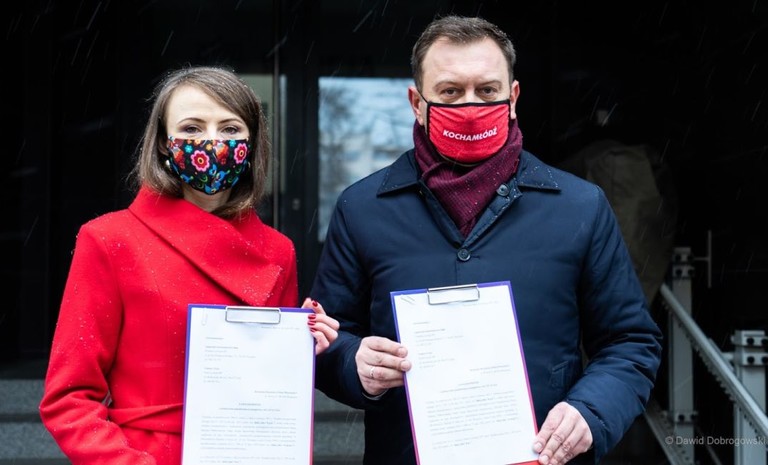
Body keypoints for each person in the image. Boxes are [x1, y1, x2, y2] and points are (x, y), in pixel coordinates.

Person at [312, 15, 663, 465]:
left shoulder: (580, 206)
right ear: (417, 102)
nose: (471, 106)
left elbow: (630, 342)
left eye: (487, 90)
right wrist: (353, 363)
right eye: (450, 92)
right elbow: (327, 339)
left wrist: (589, 412)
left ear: (512, 97)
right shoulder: (362, 208)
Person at [39, 66, 339, 465]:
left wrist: (301, 347)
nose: (212, 141)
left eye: (230, 129)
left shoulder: (277, 250)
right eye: (192, 128)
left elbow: (269, 391)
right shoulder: (109, 239)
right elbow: (69, 399)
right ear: (164, 144)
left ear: (252, 143)